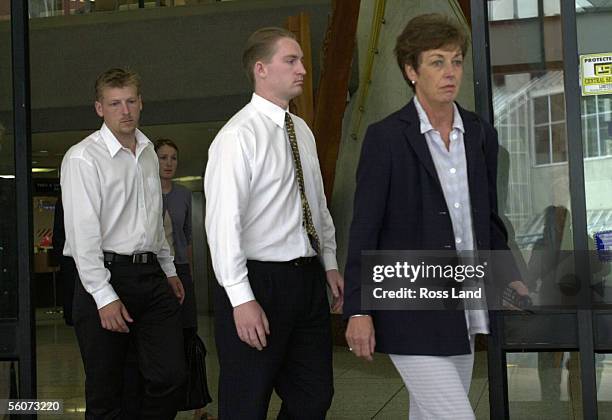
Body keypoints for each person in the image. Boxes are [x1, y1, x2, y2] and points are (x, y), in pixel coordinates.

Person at [343, 14, 528, 420]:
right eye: (437, 61)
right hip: (409, 304)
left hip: (463, 304)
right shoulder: (386, 138)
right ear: (411, 71)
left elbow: (488, 219)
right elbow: (364, 228)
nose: (450, 73)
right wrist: (358, 310)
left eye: (457, 61)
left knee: (430, 414)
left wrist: (510, 274)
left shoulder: (480, 134)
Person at [204, 27, 344, 420]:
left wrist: (329, 262)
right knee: (246, 403)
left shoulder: (301, 130)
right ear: (261, 69)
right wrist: (241, 297)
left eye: (301, 60)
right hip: (258, 282)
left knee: (313, 396)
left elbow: (316, 204)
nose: (302, 68)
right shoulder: (236, 136)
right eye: (292, 60)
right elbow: (222, 224)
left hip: (306, 279)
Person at [61, 67, 186, 419]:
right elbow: (82, 237)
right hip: (103, 277)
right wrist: (104, 297)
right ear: (99, 108)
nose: (125, 111)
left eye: (131, 101)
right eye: (115, 103)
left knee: (171, 375)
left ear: (141, 103)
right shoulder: (83, 157)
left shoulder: (148, 152)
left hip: (150, 276)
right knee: (107, 391)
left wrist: (168, 269)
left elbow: (154, 217)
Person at [154, 138, 214, 419]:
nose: (168, 163)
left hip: (180, 269)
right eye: (163, 157)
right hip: (153, 273)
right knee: (162, 337)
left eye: (173, 158)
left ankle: (197, 402)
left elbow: (186, 237)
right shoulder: (145, 192)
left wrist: (187, 272)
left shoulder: (183, 195)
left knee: (189, 335)